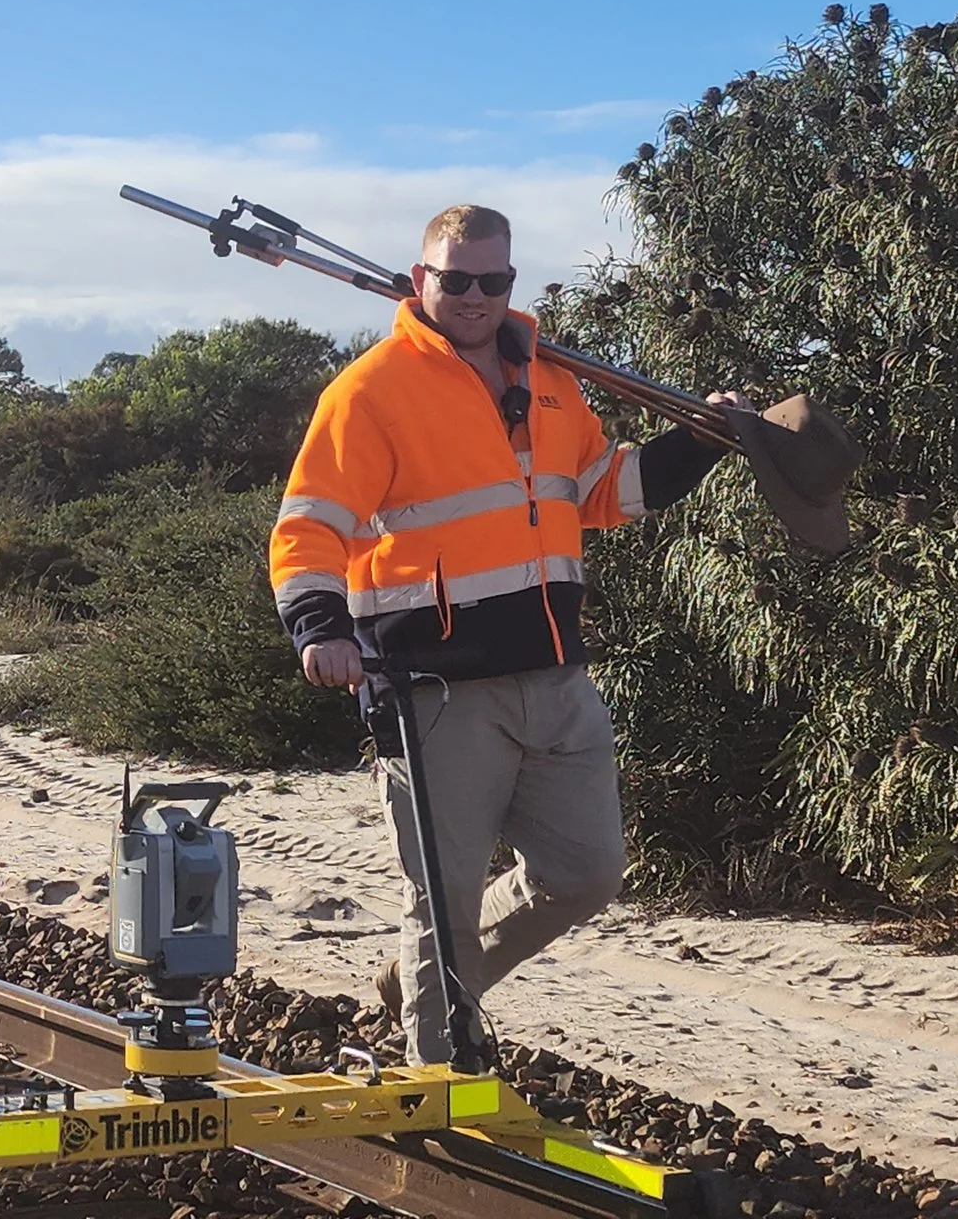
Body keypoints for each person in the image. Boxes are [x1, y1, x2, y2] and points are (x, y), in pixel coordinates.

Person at [269, 204, 752, 1065]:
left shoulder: (554, 380)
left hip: (555, 676)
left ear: (510, 282)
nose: (473, 296)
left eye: (492, 280)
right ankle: (441, 1080)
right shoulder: (372, 390)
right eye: (454, 279)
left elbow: (607, 491)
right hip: (434, 688)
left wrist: (699, 442)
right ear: (422, 280)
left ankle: (417, 981)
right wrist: (318, 626)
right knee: (444, 903)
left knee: (587, 872)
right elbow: (308, 525)